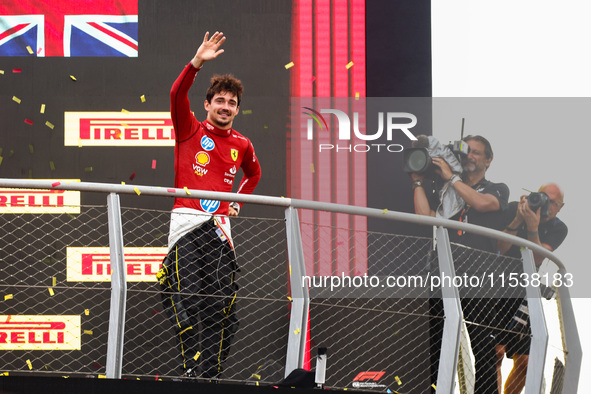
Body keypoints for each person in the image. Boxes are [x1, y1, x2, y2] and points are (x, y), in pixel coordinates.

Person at [157, 31, 262, 379]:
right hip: (186, 223)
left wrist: (238, 203)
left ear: (237, 108)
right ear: (207, 104)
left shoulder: (242, 144)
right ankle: (189, 371)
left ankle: (210, 373)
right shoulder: (188, 129)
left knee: (222, 308)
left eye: (231, 103)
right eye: (219, 100)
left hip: (218, 228)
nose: (225, 107)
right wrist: (197, 61)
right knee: (183, 298)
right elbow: (176, 93)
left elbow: (254, 175)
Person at [411, 135, 509, 394]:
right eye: (466, 151)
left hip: (479, 276)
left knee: (483, 349)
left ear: (488, 160)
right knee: (435, 344)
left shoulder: (497, 188)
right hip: (443, 272)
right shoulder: (447, 189)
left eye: (477, 152)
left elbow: (482, 203)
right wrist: (418, 182)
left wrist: (451, 178)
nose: (470, 156)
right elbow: (424, 217)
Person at [495, 183, 567, 394]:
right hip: (499, 286)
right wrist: (519, 218)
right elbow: (500, 248)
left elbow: (536, 257)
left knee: (526, 362)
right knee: (496, 353)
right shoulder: (513, 210)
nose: (548, 205)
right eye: (544, 198)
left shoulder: (558, 227)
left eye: (553, 202)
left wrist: (533, 227)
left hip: (526, 292)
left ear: (560, 207)